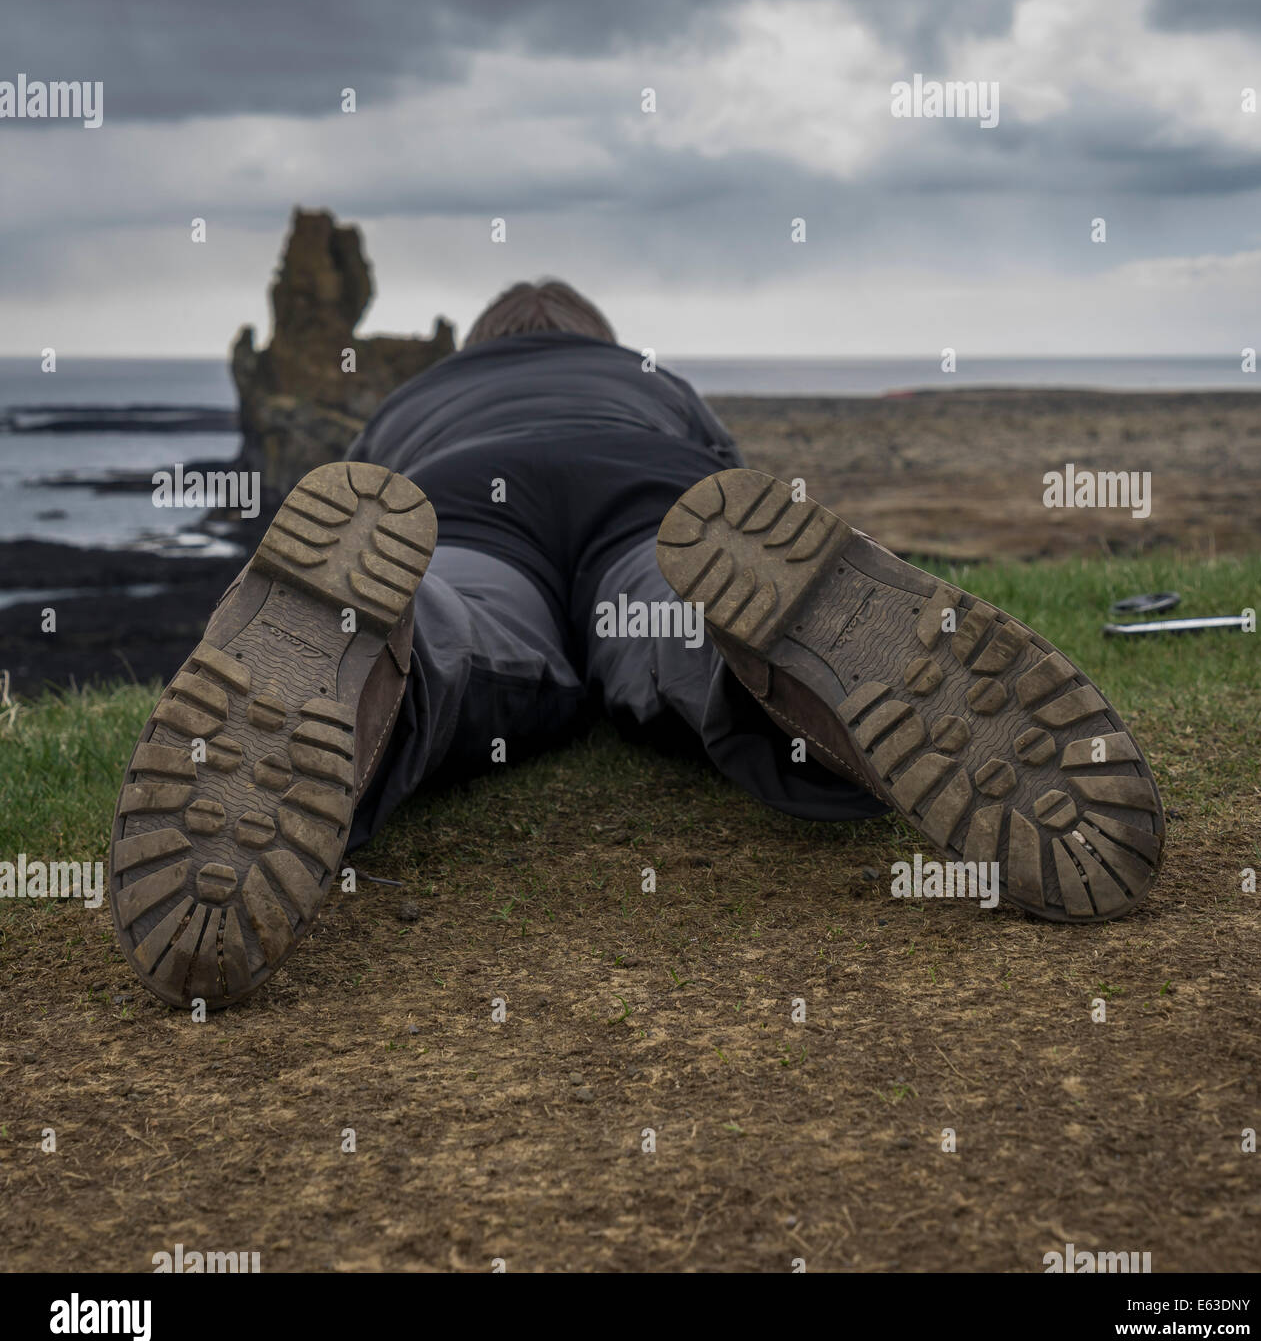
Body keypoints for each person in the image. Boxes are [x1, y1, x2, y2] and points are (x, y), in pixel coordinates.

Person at [107, 279, 1166, 1008]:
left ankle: (384, 643)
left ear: (479, 343)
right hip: (647, 496)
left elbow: (368, 483)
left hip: (467, 504)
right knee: (670, 616)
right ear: (597, 335)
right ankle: (766, 656)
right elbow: (725, 479)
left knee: (463, 625)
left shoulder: (414, 396)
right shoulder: (650, 377)